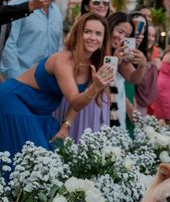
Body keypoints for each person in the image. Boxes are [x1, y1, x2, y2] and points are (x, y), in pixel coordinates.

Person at [0, 12, 115, 158]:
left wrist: (65, 125)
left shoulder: (94, 64)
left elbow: (77, 100)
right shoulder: (63, 60)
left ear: (103, 40)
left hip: (41, 112)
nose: (93, 37)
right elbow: (75, 101)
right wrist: (95, 87)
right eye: (87, 32)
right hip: (14, 101)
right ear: (78, 34)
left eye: (98, 34)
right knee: (37, 161)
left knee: (51, 158)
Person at [0, 0, 63, 80]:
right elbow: (8, 47)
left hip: (49, 83)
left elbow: (58, 47)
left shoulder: (57, 12)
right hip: (23, 81)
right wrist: (18, 81)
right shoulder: (16, 5)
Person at [135, 24, 159, 116]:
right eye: (148, 35)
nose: (151, 38)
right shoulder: (137, 54)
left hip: (148, 103)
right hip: (135, 101)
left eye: (153, 36)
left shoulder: (153, 54)